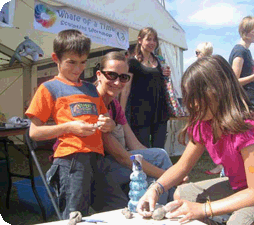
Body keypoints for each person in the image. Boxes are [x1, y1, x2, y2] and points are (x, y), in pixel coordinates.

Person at [137, 55, 254, 225]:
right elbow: (182, 166)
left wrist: (204, 209)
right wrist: (155, 189)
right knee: (182, 195)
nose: (190, 105)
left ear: (217, 91)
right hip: (240, 188)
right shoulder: (204, 123)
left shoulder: (248, 128)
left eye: (194, 97)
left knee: (241, 222)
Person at [25, 29, 128, 219]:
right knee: (74, 216)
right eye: (71, 62)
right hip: (71, 162)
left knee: (121, 210)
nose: (77, 68)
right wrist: (69, 128)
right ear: (56, 58)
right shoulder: (48, 88)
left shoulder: (90, 89)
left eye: (82, 62)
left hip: (98, 160)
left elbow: (109, 121)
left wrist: (108, 124)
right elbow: (34, 132)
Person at [95, 51, 187, 204]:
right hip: (98, 170)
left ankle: (170, 206)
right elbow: (122, 157)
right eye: (111, 75)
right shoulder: (93, 102)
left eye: (123, 77)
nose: (117, 82)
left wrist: (165, 174)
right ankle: (174, 204)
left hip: (113, 163)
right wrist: (169, 177)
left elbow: (135, 145)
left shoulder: (115, 105)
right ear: (99, 74)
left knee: (159, 157)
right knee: (158, 173)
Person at [120, 27, 171, 148]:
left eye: (154, 40)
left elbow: (160, 82)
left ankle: (160, 168)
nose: (152, 43)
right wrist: (120, 113)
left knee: (159, 148)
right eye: (149, 39)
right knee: (143, 150)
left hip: (160, 113)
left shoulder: (159, 61)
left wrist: (166, 75)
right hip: (140, 114)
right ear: (140, 40)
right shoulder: (132, 62)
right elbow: (126, 89)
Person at [195, 41, 223, 176]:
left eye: (197, 53)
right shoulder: (215, 66)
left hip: (212, 110)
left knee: (216, 136)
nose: (195, 56)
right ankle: (220, 164)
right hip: (213, 109)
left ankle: (221, 165)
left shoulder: (206, 68)